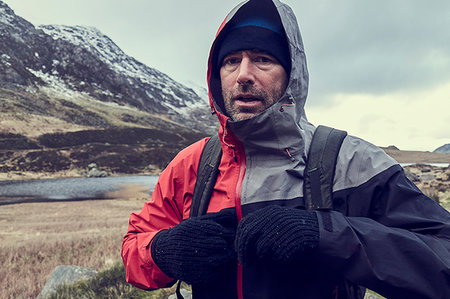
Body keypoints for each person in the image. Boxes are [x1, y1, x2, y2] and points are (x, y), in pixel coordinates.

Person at [122, 0, 450, 298]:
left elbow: (442, 258)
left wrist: (328, 236)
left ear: (291, 73)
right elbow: (134, 249)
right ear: (216, 75)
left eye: (263, 59)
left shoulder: (351, 162)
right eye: (232, 61)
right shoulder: (191, 166)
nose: (243, 75)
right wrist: (164, 252)